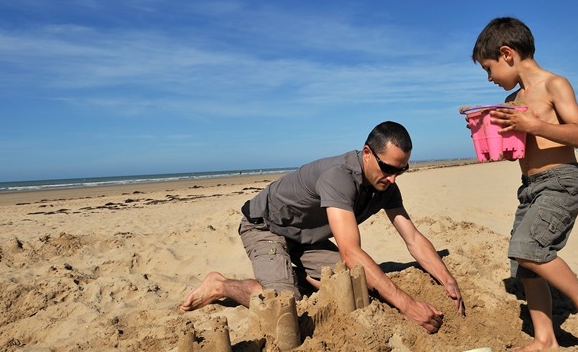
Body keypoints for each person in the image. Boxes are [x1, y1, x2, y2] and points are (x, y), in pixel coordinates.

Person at [181, 121, 465, 333]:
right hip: (267, 228)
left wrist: (447, 279)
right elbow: (351, 252)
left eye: (401, 170)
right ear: (367, 153)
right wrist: (407, 304)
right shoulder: (339, 177)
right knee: (284, 307)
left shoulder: (385, 186)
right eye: (388, 168)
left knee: (355, 283)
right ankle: (220, 285)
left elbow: (412, 238)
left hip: (305, 239)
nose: (393, 178)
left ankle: (293, 274)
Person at [471, 17, 578, 352]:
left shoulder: (554, 85)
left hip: (561, 181)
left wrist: (533, 124)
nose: (489, 78)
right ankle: (544, 339)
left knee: (529, 248)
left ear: (507, 54)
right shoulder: (514, 99)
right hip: (530, 186)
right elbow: (520, 148)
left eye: (489, 68)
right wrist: (491, 139)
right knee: (524, 267)